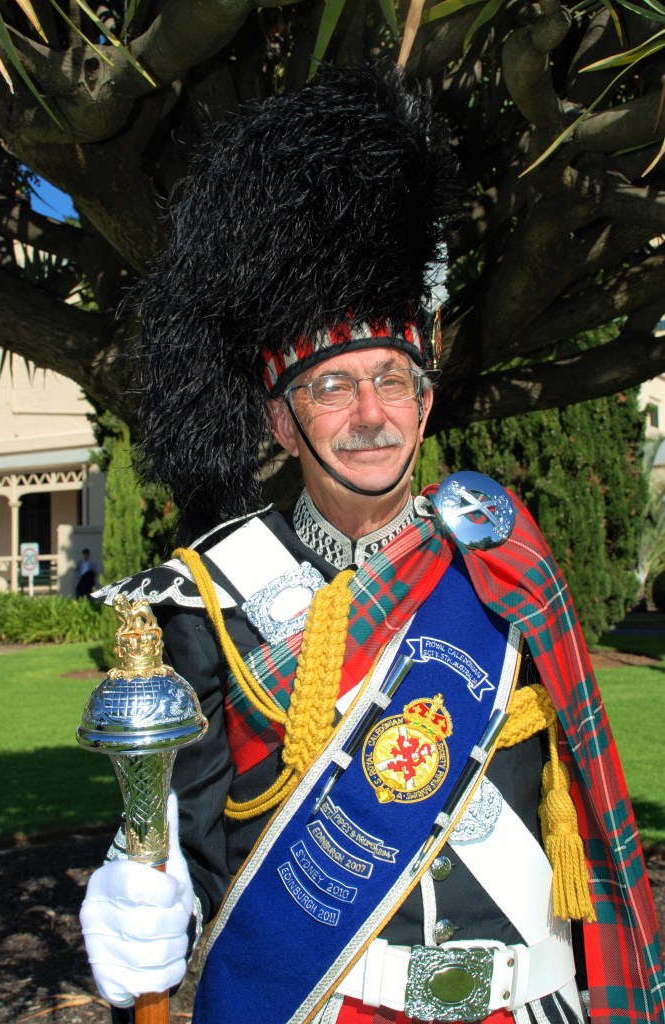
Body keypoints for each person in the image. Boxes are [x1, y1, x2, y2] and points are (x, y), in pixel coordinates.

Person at [80, 65, 664, 1024]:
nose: (369, 414)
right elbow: (187, 854)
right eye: (331, 387)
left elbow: (588, 804)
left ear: (425, 405)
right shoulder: (206, 598)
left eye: (393, 379)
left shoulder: (503, 555)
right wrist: (139, 897)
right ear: (281, 423)